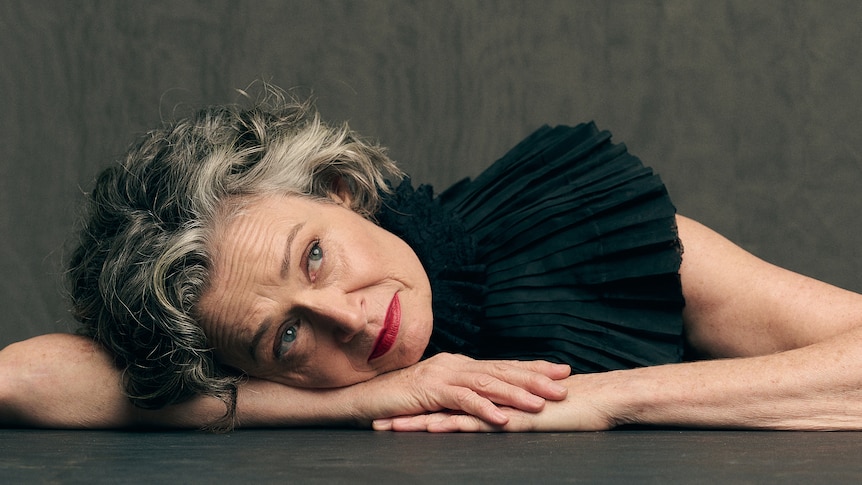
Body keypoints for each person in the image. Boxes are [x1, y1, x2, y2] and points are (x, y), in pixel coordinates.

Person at [2, 88, 862, 432]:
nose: (348, 316)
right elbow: (29, 377)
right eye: (286, 338)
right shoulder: (335, 381)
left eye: (314, 258)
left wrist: (605, 397)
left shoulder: (577, 225)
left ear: (340, 189)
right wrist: (380, 393)